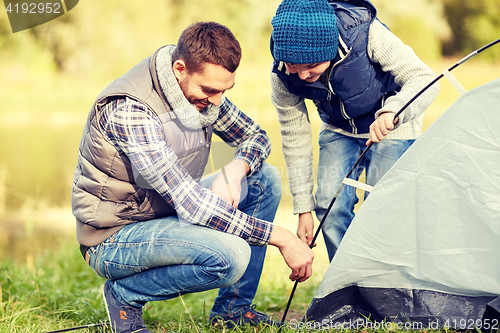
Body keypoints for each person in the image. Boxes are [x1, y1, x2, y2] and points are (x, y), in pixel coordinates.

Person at [72, 21, 314, 333]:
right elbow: (193, 205)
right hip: (113, 237)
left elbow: (257, 137)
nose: (216, 101)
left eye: (224, 90)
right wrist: (282, 238)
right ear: (179, 69)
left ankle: (233, 310)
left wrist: (236, 166)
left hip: (163, 210)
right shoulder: (132, 110)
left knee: (263, 179)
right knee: (232, 255)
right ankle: (124, 296)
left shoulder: (201, 92)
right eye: (210, 90)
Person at [269, 0, 440, 261]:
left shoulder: (364, 33)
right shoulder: (282, 74)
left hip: (392, 122)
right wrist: (303, 207)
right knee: (328, 206)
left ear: (329, 49)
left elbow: (423, 78)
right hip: (339, 128)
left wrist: (393, 112)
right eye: (294, 66)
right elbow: (295, 138)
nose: (302, 76)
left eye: (311, 66)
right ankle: (348, 283)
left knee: (381, 208)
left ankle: (384, 283)